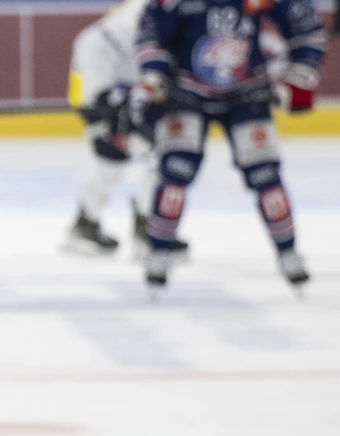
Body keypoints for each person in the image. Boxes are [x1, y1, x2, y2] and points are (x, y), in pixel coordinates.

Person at [134, 0, 324, 291]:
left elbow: (305, 22)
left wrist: (303, 67)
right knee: (175, 172)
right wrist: (154, 72)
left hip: (247, 96)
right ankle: (159, 250)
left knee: (265, 176)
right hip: (187, 95)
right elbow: (151, 31)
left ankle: (288, 252)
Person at [65, 0, 192, 256]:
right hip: (109, 60)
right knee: (113, 146)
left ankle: (145, 224)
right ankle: (94, 223)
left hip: (127, 61)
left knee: (159, 146)